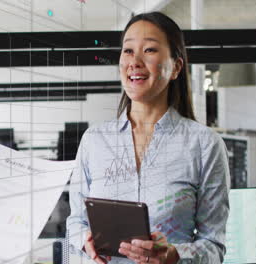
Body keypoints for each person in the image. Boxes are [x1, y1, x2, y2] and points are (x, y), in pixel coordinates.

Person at [67, 12, 230, 264]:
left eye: (150, 50)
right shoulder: (94, 141)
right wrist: (84, 239)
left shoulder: (204, 145)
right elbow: (75, 221)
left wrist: (175, 255)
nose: (135, 61)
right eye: (128, 51)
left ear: (175, 67)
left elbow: (214, 245)